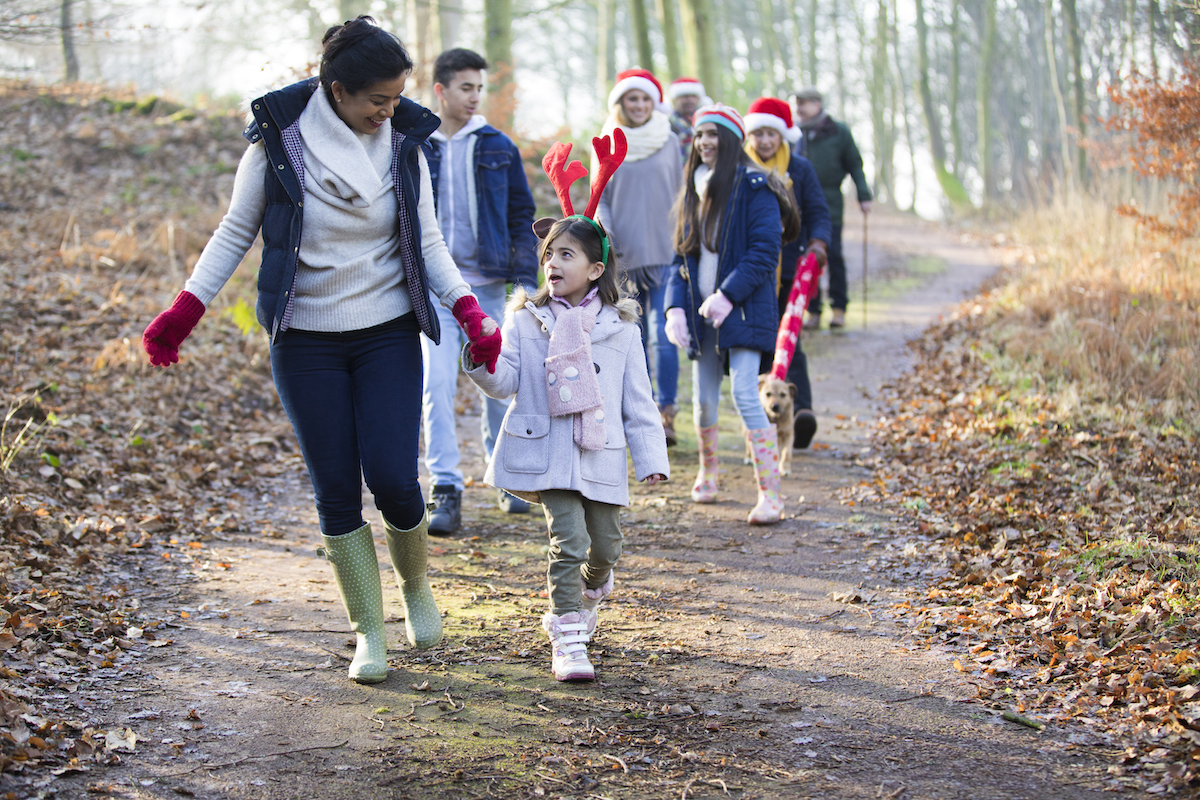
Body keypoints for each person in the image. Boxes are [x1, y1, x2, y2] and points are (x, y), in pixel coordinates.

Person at [140, 17, 503, 685]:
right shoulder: (279, 146)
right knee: (336, 489)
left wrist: (469, 312)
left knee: (395, 478)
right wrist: (184, 311)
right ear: (337, 90)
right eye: (378, 101)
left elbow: (427, 247)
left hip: (387, 330)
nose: (391, 112)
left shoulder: (403, 145)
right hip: (304, 340)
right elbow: (233, 235)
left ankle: (416, 586)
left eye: (397, 99)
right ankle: (368, 630)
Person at [465, 134, 669, 682]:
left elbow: (639, 400)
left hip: (600, 451)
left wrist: (652, 456)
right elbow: (505, 380)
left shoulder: (621, 329)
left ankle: (592, 591)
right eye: (548, 254)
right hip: (548, 448)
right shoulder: (526, 318)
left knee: (605, 548)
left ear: (596, 270)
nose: (552, 263)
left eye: (566, 254)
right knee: (568, 540)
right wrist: (481, 358)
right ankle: (568, 635)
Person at [420, 47, 539, 533]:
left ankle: (506, 475)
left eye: (479, 88)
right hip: (433, 292)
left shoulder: (497, 146)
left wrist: (527, 282)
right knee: (436, 384)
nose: (474, 97)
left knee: (499, 385)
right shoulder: (415, 143)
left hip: (488, 285)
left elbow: (520, 216)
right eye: (465, 88)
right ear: (441, 90)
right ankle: (445, 487)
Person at [664, 105, 799, 524]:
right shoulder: (693, 188)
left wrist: (727, 294)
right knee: (703, 403)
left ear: (731, 140)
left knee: (744, 392)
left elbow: (764, 252)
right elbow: (679, 258)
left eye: (714, 134)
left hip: (742, 309)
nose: (705, 141)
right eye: (700, 134)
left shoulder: (754, 187)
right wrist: (674, 308)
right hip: (699, 312)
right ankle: (708, 472)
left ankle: (771, 496)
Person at [596, 68, 683, 446]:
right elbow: (601, 197)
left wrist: (685, 240)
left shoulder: (671, 140)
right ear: (620, 103)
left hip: (666, 251)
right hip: (624, 255)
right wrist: (607, 240)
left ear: (655, 103)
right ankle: (640, 413)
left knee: (665, 335)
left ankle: (667, 413)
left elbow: (682, 192)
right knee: (635, 337)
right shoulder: (607, 141)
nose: (639, 105)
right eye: (633, 98)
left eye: (646, 99)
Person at [742, 97, 832, 449]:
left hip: (790, 271)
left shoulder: (800, 169)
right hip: (751, 273)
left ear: (783, 136)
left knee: (790, 342)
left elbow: (819, 212)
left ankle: (801, 412)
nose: (765, 141)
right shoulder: (739, 167)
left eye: (771, 134)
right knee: (759, 345)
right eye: (759, 133)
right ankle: (762, 419)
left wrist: (819, 243)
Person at [790, 87, 872, 330]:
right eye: (796, 103)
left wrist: (863, 194)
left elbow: (855, 164)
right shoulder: (793, 133)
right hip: (797, 205)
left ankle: (839, 308)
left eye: (804, 103)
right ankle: (812, 311)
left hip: (829, 202)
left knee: (832, 254)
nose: (799, 108)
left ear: (817, 104)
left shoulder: (838, 131)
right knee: (804, 258)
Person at [666, 77, 711, 160]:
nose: (690, 100)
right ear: (675, 99)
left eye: (693, 96)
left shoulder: (707, 122)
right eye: (685, 96)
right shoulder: (666, 124)